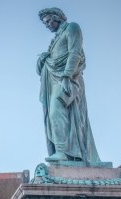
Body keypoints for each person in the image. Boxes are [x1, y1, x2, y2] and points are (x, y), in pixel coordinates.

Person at [36, 7, 101, 164]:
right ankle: (64, 152)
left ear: (57, 17)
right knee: (53, 116)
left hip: (68, 79)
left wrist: (66, 76)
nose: (48, 25)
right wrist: (42, 60)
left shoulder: (72, 28)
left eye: (49, 21)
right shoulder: (55, 40)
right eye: (45, 23)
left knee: (55, 112)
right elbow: (42, 70)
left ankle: (62, 152)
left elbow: (75, 53)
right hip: (53, 81)